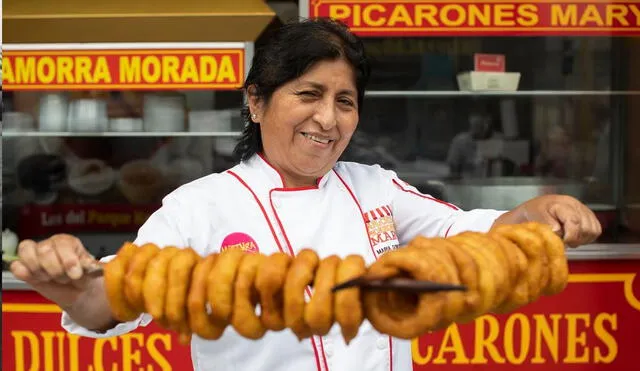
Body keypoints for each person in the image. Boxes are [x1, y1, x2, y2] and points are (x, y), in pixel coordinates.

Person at [9, 18, 602, 371]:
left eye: (344, 101)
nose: (328, 117)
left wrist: (538, 212)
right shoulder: (200, 205)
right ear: (257, 101)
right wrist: (70, 286)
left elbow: (468, 233)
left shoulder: (376, 187)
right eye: (308, 94)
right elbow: (116, 298)